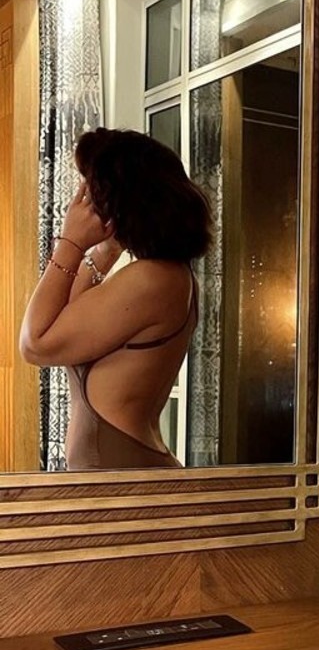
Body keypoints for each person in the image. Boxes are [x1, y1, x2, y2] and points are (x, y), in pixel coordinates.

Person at [20, 128, 211, 470]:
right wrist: (106, 247)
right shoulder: (166, 276)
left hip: (125, 479)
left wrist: (71, 242)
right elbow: (64, 315)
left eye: (90, 192)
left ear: (117, 200)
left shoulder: (152, 280)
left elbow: (36, 344)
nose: (83, 202)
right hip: (122, 472)